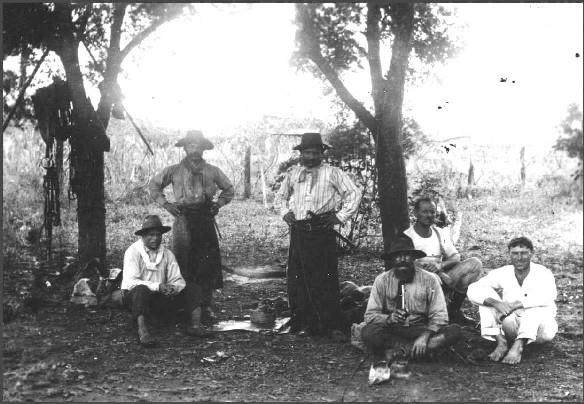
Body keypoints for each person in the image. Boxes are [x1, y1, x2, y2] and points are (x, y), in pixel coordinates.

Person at [275, 132, 361, 337]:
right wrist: (285, 212)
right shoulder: (294, 173)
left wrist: (340, 217)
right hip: (299, 231)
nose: (311, 157)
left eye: (315, 153)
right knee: (297, 277)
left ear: (322, 153)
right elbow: (280, 196)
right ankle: (301, 320)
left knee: (324, 276)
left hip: (322, 231)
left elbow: (353, 194)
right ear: (301, 153)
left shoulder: (333, 173)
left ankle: (326, 323)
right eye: (307, 152)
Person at [149, 130, 234, 330]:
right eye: (191, 146)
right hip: (183, 219)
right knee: (182, 260)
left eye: (198, 146)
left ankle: (205, 305)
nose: (194, 150)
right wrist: (166, 204)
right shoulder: (174, 170)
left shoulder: (213, 171)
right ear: (185, 148)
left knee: (207, 263)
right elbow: (154, 186)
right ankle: (184, 305)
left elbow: (229, 189)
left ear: (204, 148)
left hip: (205, 218)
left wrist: (218, 204)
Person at [361, 236, 462, 363]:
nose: (402, 260)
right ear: (392, 260)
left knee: (454, 331)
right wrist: (388, 318)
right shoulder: (382, 280)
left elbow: (440, 316)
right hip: (392, 330)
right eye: (397, 256)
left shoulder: (430, 279)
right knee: (368, 332)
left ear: (414, 258)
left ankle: (401, 351)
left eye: (407, 255)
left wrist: (425, 336)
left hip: (420, 329)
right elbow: (370, 315)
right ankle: (414, 351)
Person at [467, 236, 558, 365]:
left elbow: (549, 295)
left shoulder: (543, 273)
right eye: (515, 253)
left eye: (524, 253)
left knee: (536, 308)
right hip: (512, 325)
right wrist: (496, 303)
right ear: (509, 254)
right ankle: (501, 342)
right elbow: (473, 288)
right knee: (486, 299)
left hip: (541, 329)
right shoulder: (504, 272)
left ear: (531, 253)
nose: (519, 258)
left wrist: (515, 305)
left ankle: (519, 345)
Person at [121, 215, 204, 346]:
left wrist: (173, 288)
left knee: (193, 288)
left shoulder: (167, 254)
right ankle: (142, 331)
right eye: (151, 235)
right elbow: (131, 282)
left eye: (158, 235)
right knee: (141, 290)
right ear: (143, 236)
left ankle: (196, 325)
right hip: (136, 298)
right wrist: (158, 286)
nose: (155, 238)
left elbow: (177, 279)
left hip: (160, 298)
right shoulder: (133, 252)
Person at [404, 196, 484, 325]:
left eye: (432, 212)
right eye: (424, 212)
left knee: (475, 263)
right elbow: (406, 265)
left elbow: (455, 256)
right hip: (419, 282)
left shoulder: (439, 233)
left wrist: (441, 265)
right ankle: (431, 313)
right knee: (432, 278)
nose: (429, 215)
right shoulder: (408, 236)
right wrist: (432, 271)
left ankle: (454, 311)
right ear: (416, 213)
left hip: (442, 278)